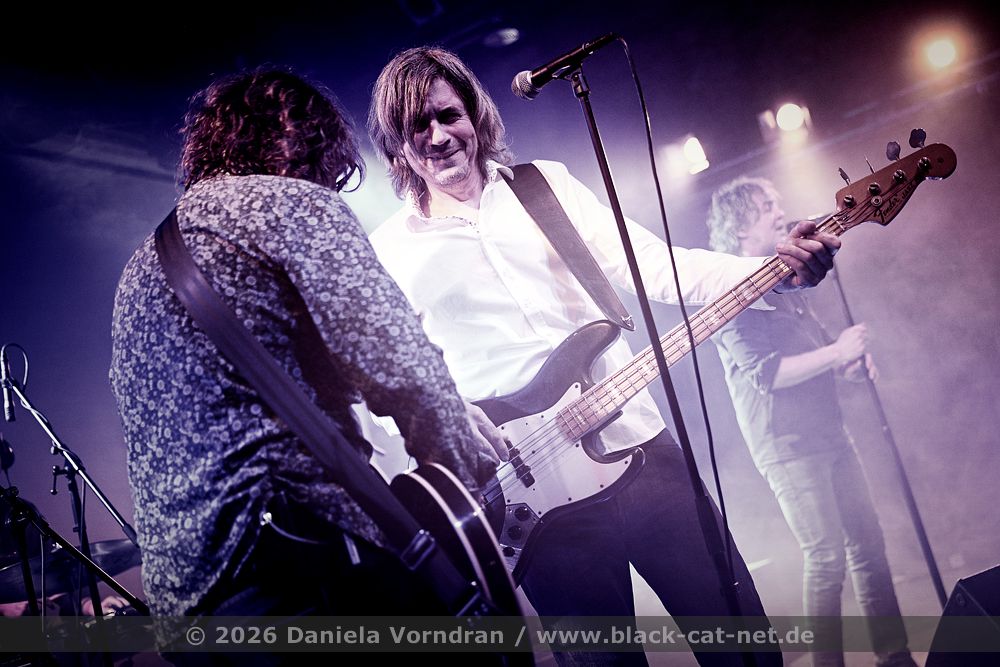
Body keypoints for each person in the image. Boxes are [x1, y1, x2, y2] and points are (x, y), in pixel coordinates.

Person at [367, 46, 840, 667]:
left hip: (640, 450)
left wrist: (775, 271)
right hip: (533, 499)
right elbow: (377, 386)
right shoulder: (388, 252)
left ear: (474, 115)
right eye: (417, 126)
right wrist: (446, 424)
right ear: (396, 146)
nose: (438, 136)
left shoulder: (545, 187)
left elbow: (658, 267)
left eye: (448, 114)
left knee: (743, 647)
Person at [108, 67, 499, 626]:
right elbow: (404, 370)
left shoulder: (140, 266)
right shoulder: (289, 202)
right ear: (311, 145)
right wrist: (465, 504)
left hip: (188, 604)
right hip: (295, 566)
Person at [707, 177, 917, 667]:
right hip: (787, 447)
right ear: (739, 227)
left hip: (828, 431)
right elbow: (769, 374)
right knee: (826, 558)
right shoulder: (729, 295)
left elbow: (816, 354)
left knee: (869, 544)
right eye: (767, 207)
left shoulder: (787, 285)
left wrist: (846, 364)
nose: (780, 212)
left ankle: (895, 657)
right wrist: (836, 353)